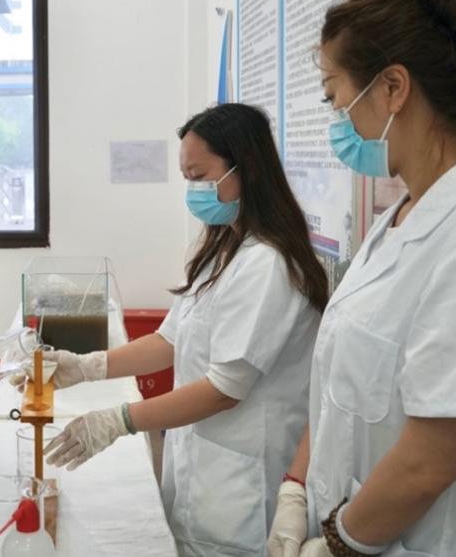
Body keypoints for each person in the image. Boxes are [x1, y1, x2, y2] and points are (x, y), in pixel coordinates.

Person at [266, 0, 456, 557]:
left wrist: (338, 543)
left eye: (336, 98)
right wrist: (298, 487)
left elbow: (430, 459)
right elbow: (343, 388)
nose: (338, 121)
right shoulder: (397, 221)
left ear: (393, 89)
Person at [41, 103, 328, 556]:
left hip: (242, 488)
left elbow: (224, 390)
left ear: (247, 169)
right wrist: (87, 366)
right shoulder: (225, 247)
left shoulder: (268, 265)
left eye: (200, 176)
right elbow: (168, 340)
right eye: (187, 178)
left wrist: (118, 421)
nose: (194, 190)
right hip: (202, 469)